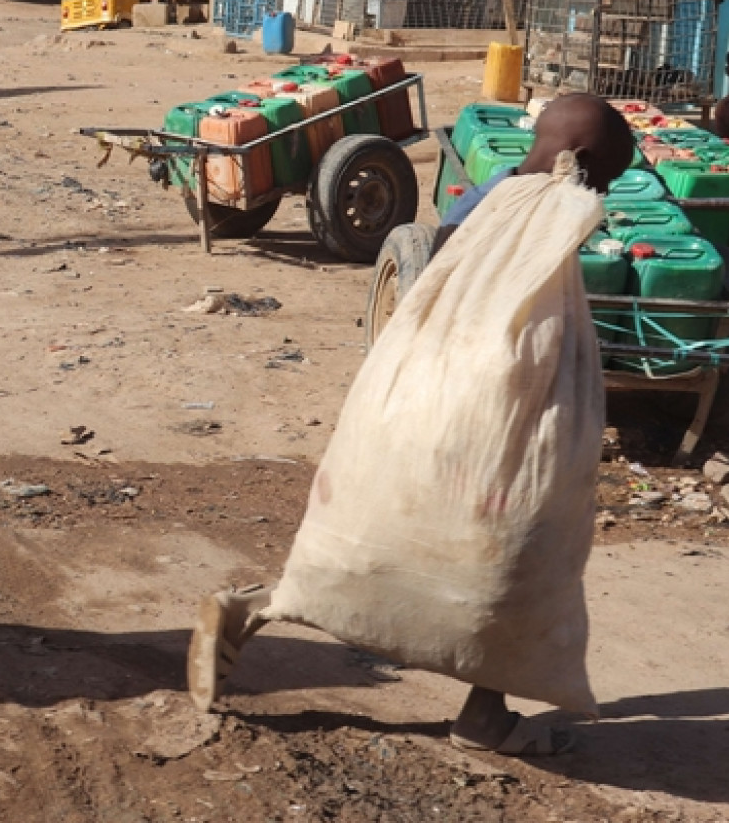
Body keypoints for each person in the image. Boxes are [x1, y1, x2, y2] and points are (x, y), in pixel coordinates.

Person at [188, 92, 635, 758]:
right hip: (491, 410)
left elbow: (444, 267)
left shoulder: (490, 196)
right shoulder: (557, 208)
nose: (602, 191)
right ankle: (485, 714)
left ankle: (259, 610)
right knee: (517, 561)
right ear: (585, 160)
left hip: (415, 393)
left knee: (375, 539)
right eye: (607, 177)